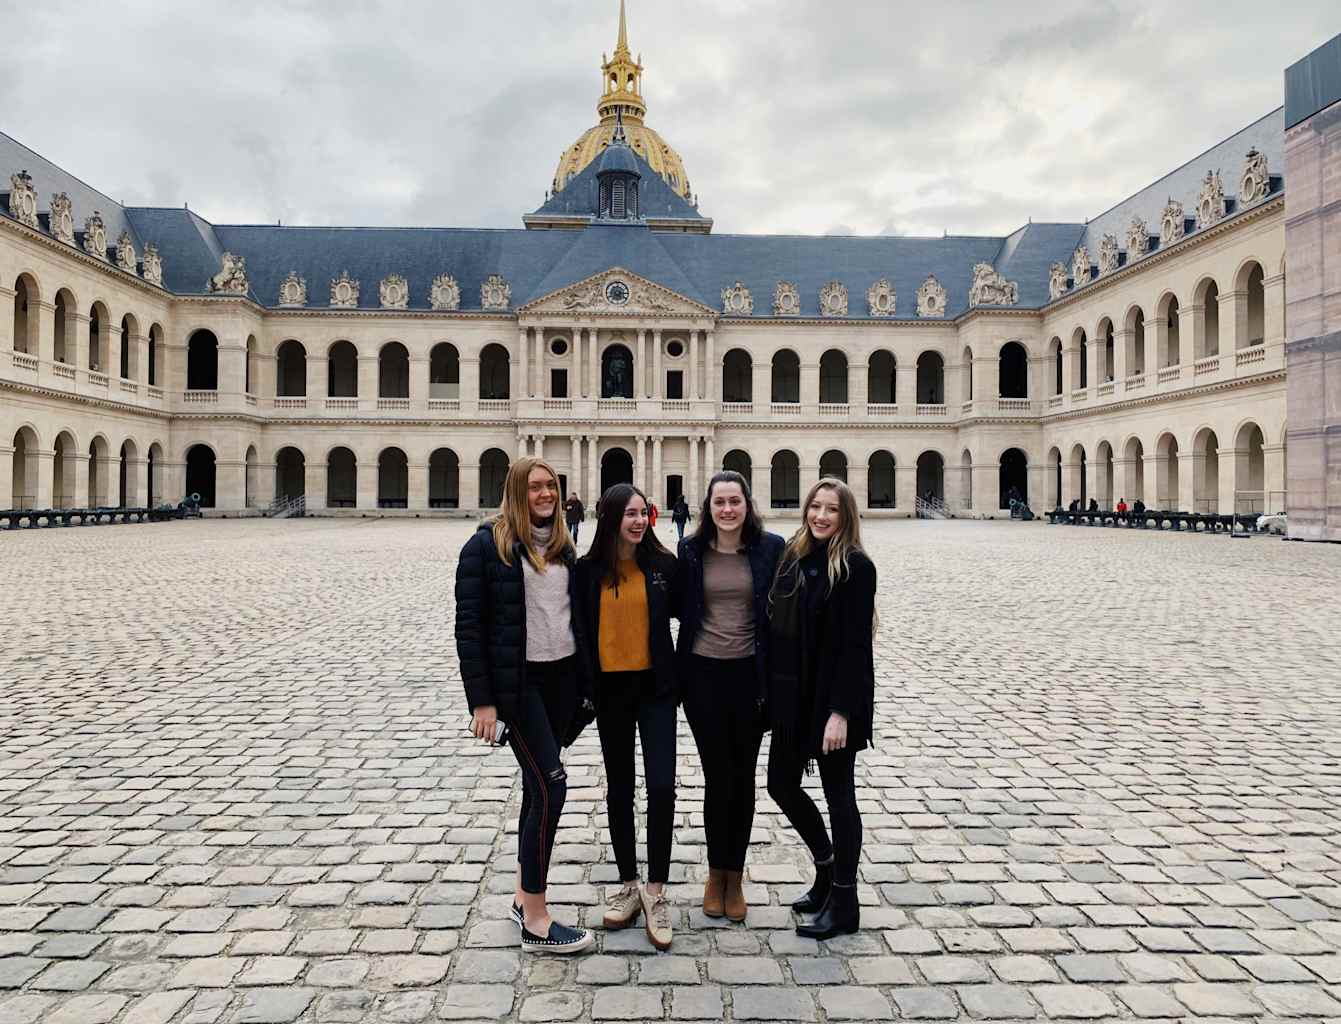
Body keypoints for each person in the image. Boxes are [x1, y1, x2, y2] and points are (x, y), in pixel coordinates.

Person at [455, 457, 595, 955]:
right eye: (535, 487)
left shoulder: (562, 547)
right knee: (551, 786)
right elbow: (469, 630)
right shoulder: (484, 546)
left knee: (537, 789)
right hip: (520, 686)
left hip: (560, 682)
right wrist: (483, 703)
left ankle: (521, 897)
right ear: (516, 491)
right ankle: (536, 916)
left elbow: (575, 615)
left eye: (550, 487)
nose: (545, 495)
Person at [766, 477, 876, 940]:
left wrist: (841, 713)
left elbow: (855, 649)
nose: (821, 516)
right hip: (796, 697)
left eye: (831, 509)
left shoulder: (854, 566)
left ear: (845, 516)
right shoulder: (797, 556)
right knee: (781, 785)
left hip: (832, 702)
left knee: (840, 798)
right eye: (816, 507)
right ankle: (827, 867)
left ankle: (845, 901)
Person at [674, 471, 784, 922]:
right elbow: (676, 605)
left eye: (734, 501)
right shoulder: (691, 550)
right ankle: (714, 873)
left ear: (746, 503)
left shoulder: (770, 548)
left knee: (742, 780)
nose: (727, 509)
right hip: (702, 676)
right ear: (709, 507)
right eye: (719, 502)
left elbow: (788, 607)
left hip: (749, 677)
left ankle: (733, 875)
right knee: (717, 777)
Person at [575, 484, 680, 950]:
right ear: (610, 518)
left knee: (661, 786)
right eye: (630, 514)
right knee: (619, 788)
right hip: (611, 694)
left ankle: (655, 890)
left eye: (644, 513)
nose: (639, 521)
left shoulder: (663, 567)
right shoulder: (586, 572)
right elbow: (571, 630)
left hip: (656, 689)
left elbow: (697, 616)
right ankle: (626, 883)